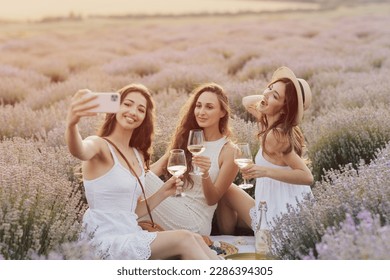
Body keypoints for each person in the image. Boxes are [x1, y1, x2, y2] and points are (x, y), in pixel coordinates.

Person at [65, 83, 219, 260]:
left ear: (145, 117)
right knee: (183, 238)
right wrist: (71, 124)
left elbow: (132, 212)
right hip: (105, 241)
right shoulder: (100, 145)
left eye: (140, 109)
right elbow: (79, 150)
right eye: (127, 104)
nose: (133, 112)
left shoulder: (137, 155)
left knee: (194, 237)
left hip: (131, 233)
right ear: (115, 107)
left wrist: (164, 192)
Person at [140, 82, 253, 235]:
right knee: (139, 177)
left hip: (194, 220)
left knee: (138, 177)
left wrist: (205, 173)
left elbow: (213, 199)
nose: (201, 112)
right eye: (198, 106)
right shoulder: (187, 139)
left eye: (209, 107)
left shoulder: (229, 151)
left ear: (222, 113)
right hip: (174, 204)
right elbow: (157, 168)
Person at [241, 66, 314, 227]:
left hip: (279, 215)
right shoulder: (273, 123)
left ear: (284, 109)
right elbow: (246, 102)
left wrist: (265, 171)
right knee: (229, 192)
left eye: (276, 96)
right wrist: (269, 98)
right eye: (269, 87)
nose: (266, 93)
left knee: (228, 192)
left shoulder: (276, 136)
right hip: (279, 205)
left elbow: (307, 177)